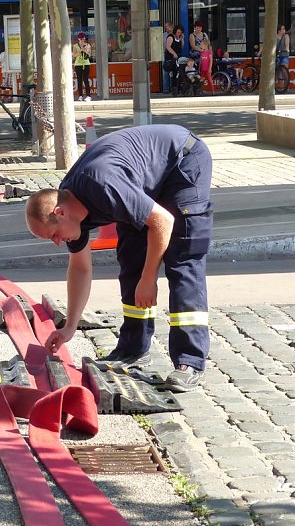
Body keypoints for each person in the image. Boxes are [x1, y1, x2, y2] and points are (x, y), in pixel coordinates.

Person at [24, 124, 213, 393]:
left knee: (183, 257)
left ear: (60, 213)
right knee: (131, 257)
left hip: (182, 161)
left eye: (53, 235)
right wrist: (69, 327)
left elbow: (162, 220)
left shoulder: (103, 186)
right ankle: (133, 349)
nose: (56, 242)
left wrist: (149, 280)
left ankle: (190, 361)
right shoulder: (72, 206)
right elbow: (80, 269)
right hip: (141, 179)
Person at [164, 25, 184, 95]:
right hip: (171, 58)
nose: (179, 34)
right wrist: (174, 54)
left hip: (178, 57)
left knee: (177, 72)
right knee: (171, 73)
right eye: (178, 32)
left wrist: (182, 39)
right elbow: (168, 47)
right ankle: (169, 88)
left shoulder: (179, 38)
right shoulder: (170, 37)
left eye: (180, 33)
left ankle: (178, 87)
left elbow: (181, 46)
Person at [72, 32, 92, 102]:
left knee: (86, 80)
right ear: (78, 39)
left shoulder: (88, 45)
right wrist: (81, 50)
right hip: (78, 65)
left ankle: (88, 96)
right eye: (81, 39)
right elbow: (74, 55)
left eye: (83, 39)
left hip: (86, 64)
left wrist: (85, 51)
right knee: (79, 80)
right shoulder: (75, 46)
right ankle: (80, 96)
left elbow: (89, 55)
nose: (82, 40)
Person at [161, 21, 174, 93]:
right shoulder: (163, 35)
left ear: (171, 27)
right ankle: (166, 88)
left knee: (174, 72)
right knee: (165, 72)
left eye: (166, 26)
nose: (165, 28)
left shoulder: (175, 34)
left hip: (173, 55)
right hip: (165, 55)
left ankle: (173, 87)